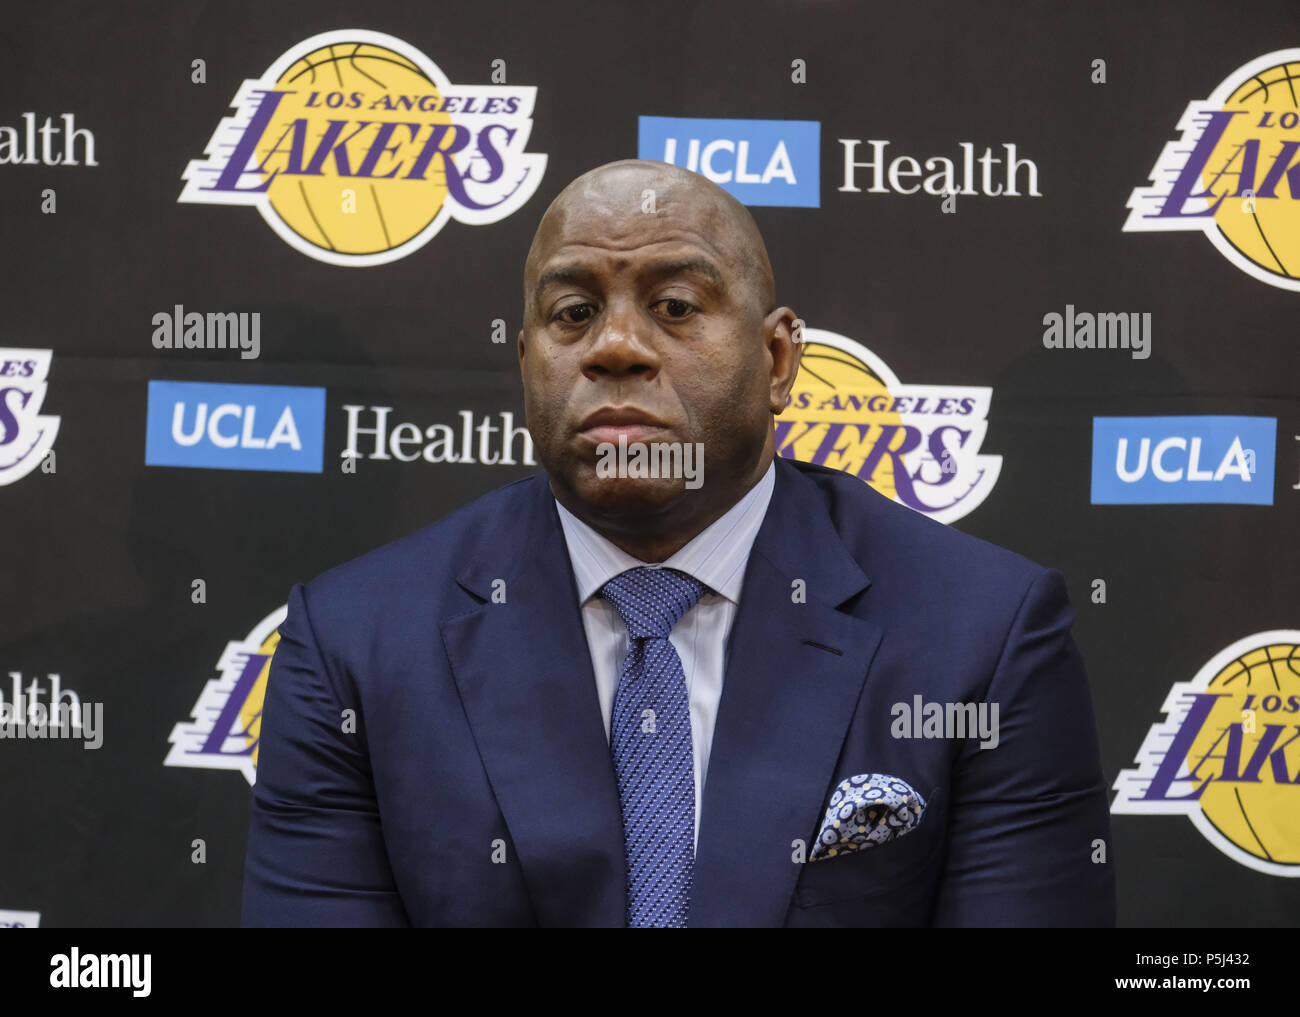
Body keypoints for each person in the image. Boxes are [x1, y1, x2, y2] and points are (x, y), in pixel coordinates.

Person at [241, 158, 1115, 927]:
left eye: (675, 305)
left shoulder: (981, 634)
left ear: (777, 361)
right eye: (574, 311)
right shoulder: (356, 641)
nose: (617, 346)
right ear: (524, 364)